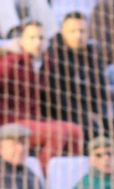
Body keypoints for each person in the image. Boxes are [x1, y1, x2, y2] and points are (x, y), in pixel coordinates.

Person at [0, 20, 82, 171]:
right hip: (8, 123)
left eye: (41, 38)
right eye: (32, 38)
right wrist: (5, 111)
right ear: (21, 40)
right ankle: (41, 176)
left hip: (30, 121)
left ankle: (68, 175)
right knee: (57, 133)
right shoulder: (9, 61)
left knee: (75, 130)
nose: (37, 42)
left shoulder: (44, 63)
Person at [42, 11, 107, 140]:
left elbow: (101, 91)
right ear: (62, 31)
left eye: (82, 31)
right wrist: (85, 114)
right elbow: (57, 96)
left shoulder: (92, 55)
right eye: (73, 31)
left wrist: (98, 112)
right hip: (64, 114)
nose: (78, 36)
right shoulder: (53, 56)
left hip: (90, 114)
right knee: (91, 130)